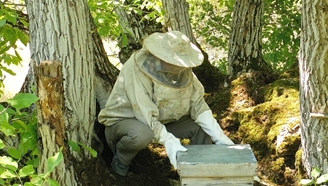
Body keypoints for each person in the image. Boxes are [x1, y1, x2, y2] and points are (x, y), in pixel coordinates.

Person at [98, 31, 233, 176]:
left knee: (202, 128)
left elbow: (198, 104)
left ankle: (201, 173)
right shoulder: (137, 67)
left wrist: (219, 136)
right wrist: (168, 140)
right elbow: (143, 111)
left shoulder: (184, 72)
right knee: (142, 134)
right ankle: (121, 161)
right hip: (126, 122)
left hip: (163, 121)